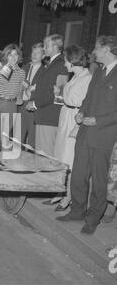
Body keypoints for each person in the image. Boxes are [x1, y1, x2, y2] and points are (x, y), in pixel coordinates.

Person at [57, 36, 117, 235]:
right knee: (79, 175)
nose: (94, 52)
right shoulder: (98, 71)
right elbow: (88, 98)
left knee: (99, 181)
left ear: (107, 49)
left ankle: (92, 218)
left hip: (103, 136)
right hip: (85, 133)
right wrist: (81, 112)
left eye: (97, 48)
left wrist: (99, 121)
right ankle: (77, 211)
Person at [46, 46, 91, 211]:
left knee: (69, 161)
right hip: (66, 118)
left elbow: (76, 101)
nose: (64, 64)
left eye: (66, 60)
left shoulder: (86, 78)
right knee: (60, 158)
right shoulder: (75, 76)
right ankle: (60, 191)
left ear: (73, 61)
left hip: (74, 122)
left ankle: (68, 197)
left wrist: (62, 91)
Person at [26, 34, 69, 156]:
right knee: (43, 153)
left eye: (46, 45)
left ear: (55, 46)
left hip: (49, 116)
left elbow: (57, 93)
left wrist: (35, 103)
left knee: (45, 155)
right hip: (45, 114)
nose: (44, 48)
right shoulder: (52, 63)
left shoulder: (61, 64)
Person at [0, 44, 25, 153]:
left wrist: (19, 98)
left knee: (5, 136)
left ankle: (1, 158)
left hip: (12, 105)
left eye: (16, 55)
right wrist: (9, 66)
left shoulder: (21, 72)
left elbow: (20, 89)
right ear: (6, 56)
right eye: (10, 55)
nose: (13, 57)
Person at [20, 43, 46, 149]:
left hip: (33, 107)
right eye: (33, 52)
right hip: (20, 105)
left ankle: (30, 162)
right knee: (18, 136)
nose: (34, 55)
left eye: (38, 53)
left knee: (32, 138)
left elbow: (44, 91)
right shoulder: (24, 68)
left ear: (43, 56)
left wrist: (30, 90)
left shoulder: (44, 72)